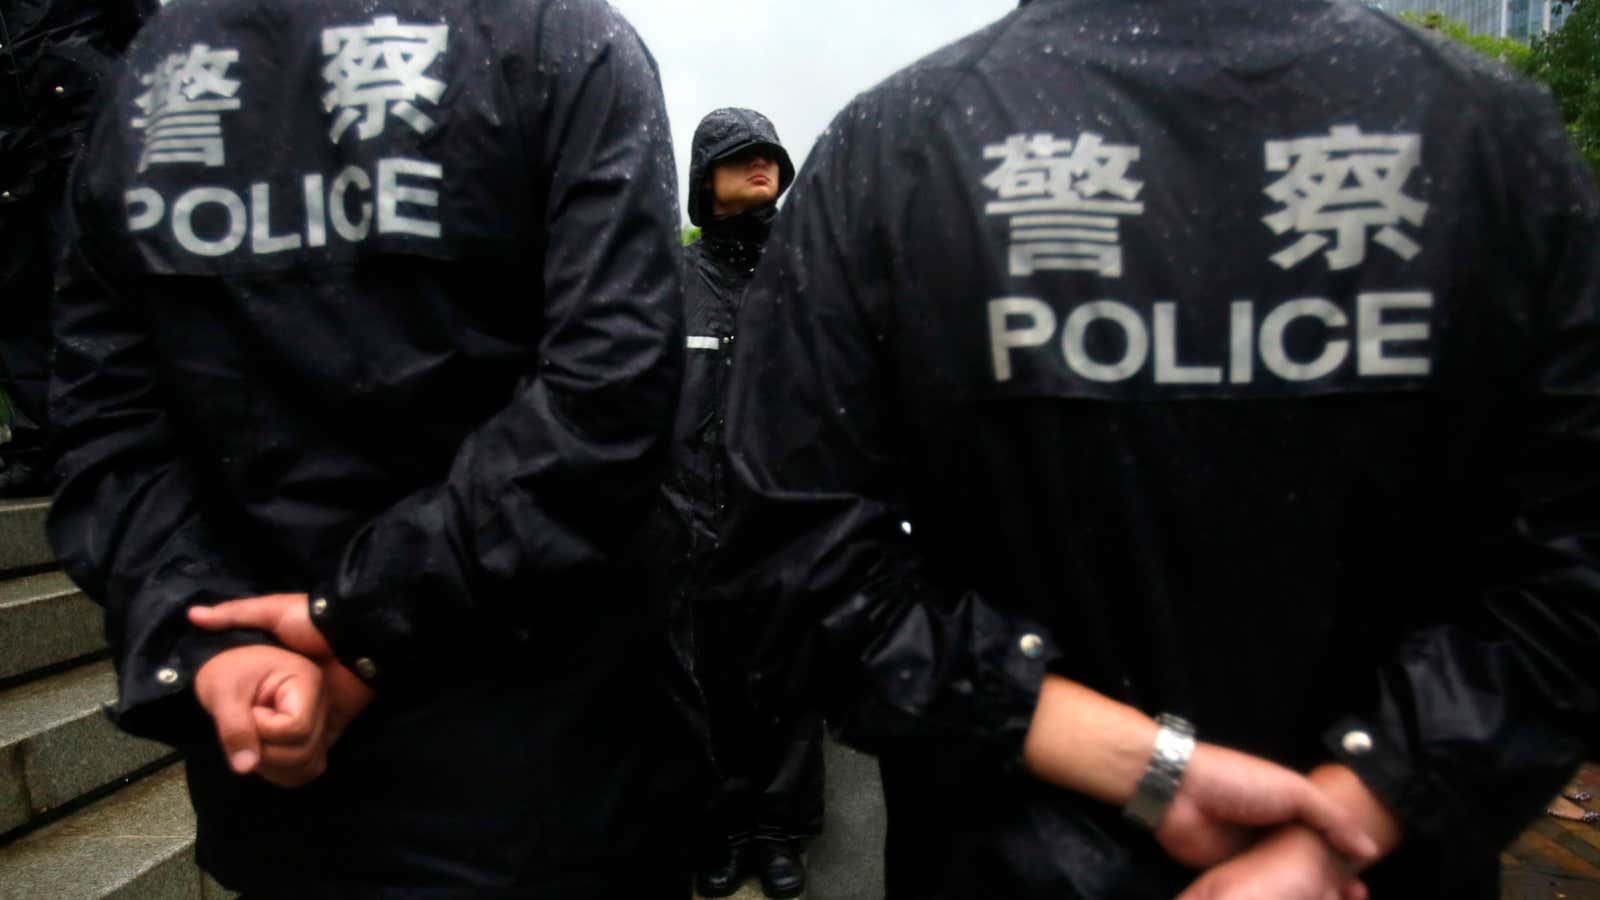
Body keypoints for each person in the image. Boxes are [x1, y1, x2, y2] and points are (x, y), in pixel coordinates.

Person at [718, 0, 1600, 897]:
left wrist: (1140, 765)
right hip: (1388, 866)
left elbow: (790, 548)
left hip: (1004, 859)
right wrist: (1357, 812)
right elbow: (1573, 568)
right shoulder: (1488, 131)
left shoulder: (900, 144)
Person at [48, 0, 703, 895]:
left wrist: (214, 638)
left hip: (294, 758)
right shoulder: (557, 37)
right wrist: (351, 626)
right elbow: (614, 389)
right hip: (549, 762)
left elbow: (105, 422)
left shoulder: (152, 73)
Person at [660, 108, 817, 900]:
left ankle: (778, 829)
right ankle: (719, 828)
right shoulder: (671, 280)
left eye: (769, 155)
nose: (761, 165)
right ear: (704, 177)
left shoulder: (807, 270)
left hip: (785, 518)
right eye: (739, 156)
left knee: (786, 678)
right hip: (687, 517)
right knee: (702, 684)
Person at [0, 0, 156, 496]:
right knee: (14, 300)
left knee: (98, 291)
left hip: (82, 132)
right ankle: (42, 443)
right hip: (11, 149)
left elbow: (143, 27)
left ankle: (117, 440)